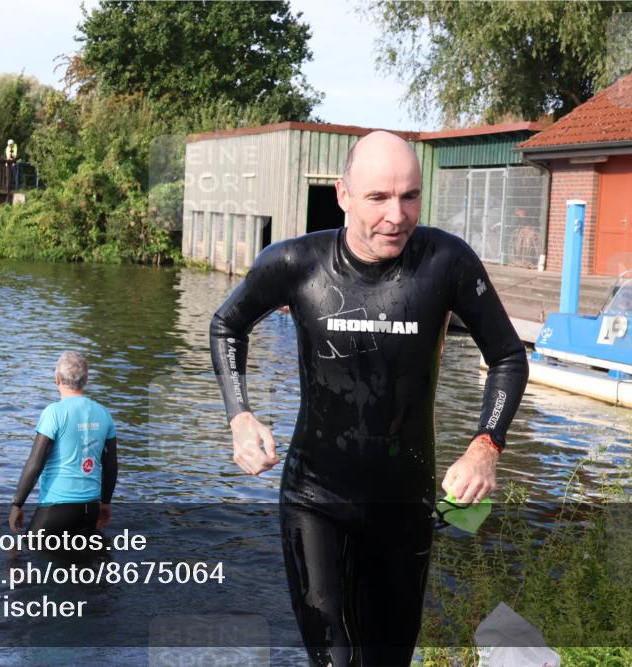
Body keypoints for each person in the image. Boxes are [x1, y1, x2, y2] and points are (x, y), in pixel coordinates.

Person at [209, 130, 528, 667]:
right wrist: (240, 416)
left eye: (410, 197)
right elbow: (226, 326)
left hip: (405, 507)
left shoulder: (446, 262)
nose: (397, 215)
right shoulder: (296, 264)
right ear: (343, 194)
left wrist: (485, 446)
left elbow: (508, 357)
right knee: (335, 658)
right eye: (378, 197)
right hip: (315, 499)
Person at [9, 351, 118, 536]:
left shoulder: (54, 413)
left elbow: (35, 464)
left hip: (56, 509)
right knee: (81, 560)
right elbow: (111, 465)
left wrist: (17, 505)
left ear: (57, 378)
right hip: (90, 509)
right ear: (86, 379)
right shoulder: (104, 414)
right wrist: (105, 503)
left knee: (21, 553)